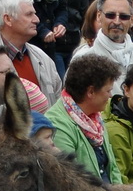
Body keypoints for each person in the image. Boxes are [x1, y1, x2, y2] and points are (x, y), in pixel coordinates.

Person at [50, 52, 125, 183]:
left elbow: (113, 169)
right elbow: (70, 179)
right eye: (108, 91)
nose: (111, 96)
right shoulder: (57, 125)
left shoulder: (95, 117)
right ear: (91, 92)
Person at [0, 0, 62, 106]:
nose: (37, 20)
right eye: (29, 14)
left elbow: (57, 102)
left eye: (35, 13)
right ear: (7, 19)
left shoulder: (42, 58)